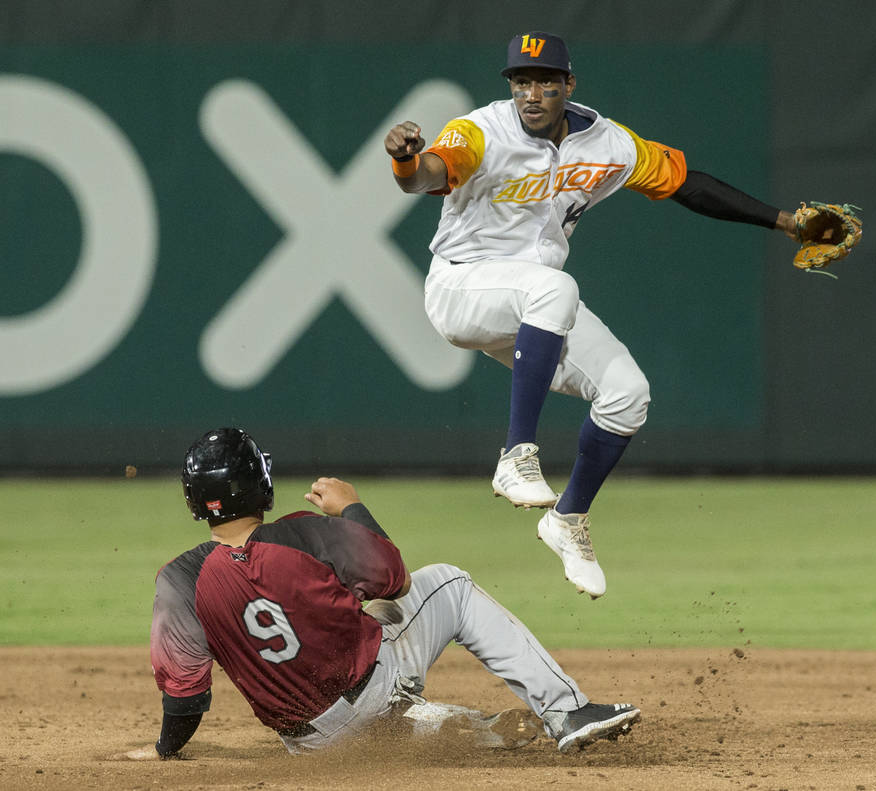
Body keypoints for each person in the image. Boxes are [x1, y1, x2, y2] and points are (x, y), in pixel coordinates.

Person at [384, 31, 801, 599]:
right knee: (555, 288)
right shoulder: (481, 130)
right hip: (463, 286)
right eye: (520, 81)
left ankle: (567, 519)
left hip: (535, 308)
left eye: (545, 82)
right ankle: (516, 456)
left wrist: (785, 222)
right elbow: (428, 175)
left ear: (569, 84)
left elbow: (688, 186)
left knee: (628, 394)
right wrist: (405, 159)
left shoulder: (608, 142)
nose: (531, 93)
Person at [121, 427, 641, 761]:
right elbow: (395, 577)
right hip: (372, 687)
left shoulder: (179, 580)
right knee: (451, 584)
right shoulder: (302, 533)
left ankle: (450, 728)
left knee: (364, 713)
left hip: (309, 744)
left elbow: (185, 695)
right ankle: (566, 710)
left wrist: (167, 751)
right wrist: (351, 509)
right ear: (259, 484)